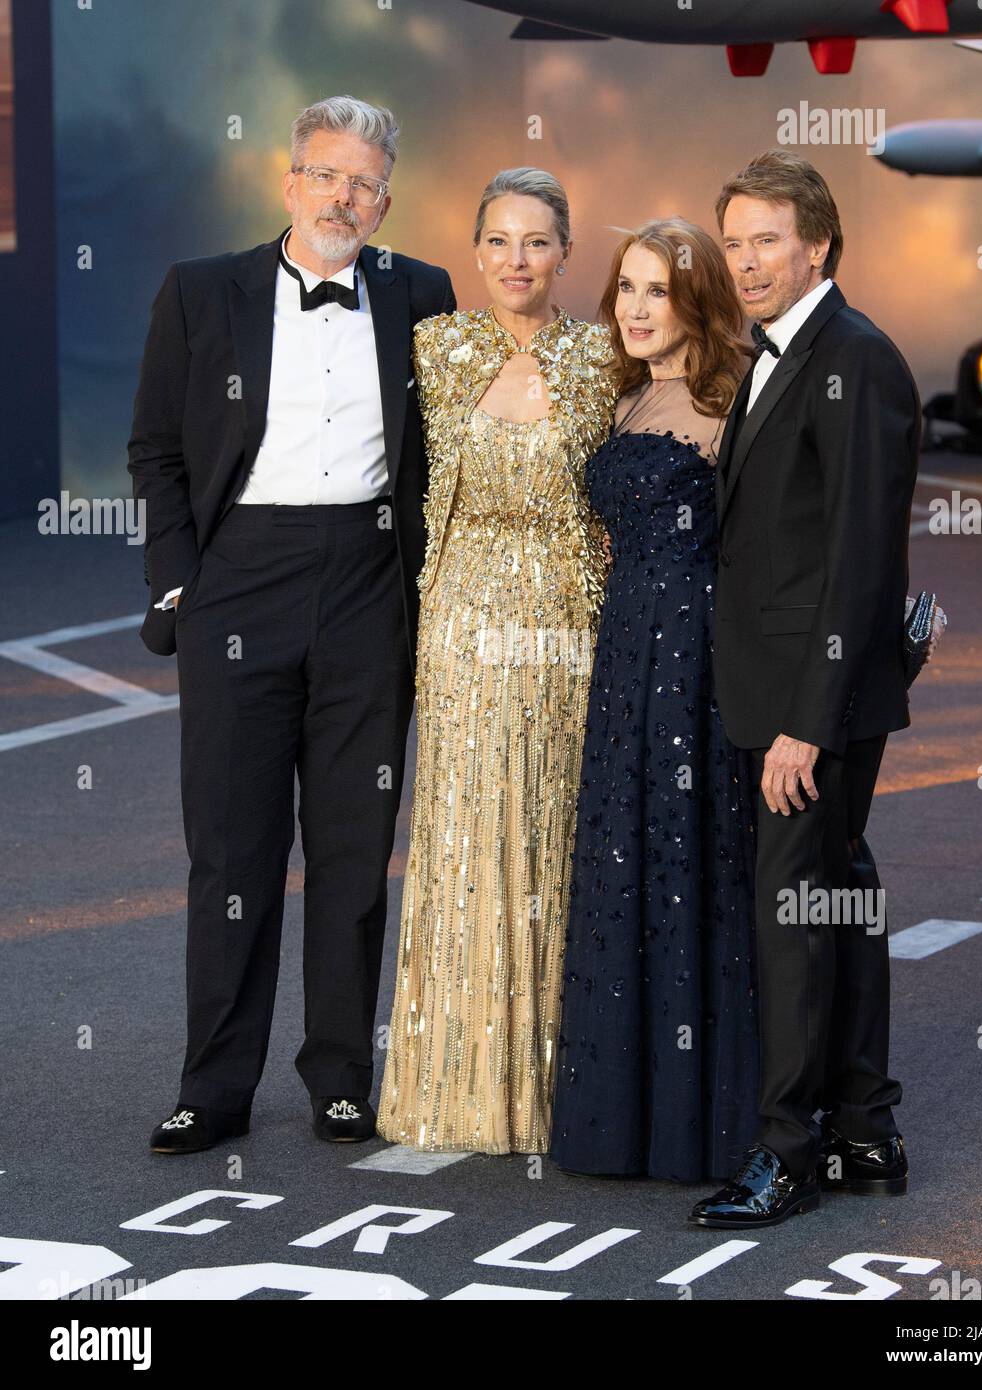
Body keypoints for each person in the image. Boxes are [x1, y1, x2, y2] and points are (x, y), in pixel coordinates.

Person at [129, 96, 455, 1155]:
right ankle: (212, 1087)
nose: (342, 197)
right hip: (238, 587)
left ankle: (341, 1080)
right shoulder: (201, 292)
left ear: (385, 200)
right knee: (231, 850)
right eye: (325, 175)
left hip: (368, 584)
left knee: (356, 849)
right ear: (288, 182)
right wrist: (182, 586)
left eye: (363, 183)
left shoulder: (424, 295)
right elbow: (157, 451)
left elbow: (446, 454)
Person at [690, 149, 922, 1228]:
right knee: (833, 892)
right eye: (733, 243)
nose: (745, 262)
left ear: (817, 243)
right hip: (787, 692)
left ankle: (786, 1153)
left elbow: (858, 560)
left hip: (808, 708)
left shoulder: (855, 357)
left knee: (792, 914)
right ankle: (863, 1127)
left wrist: (803, 728)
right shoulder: (783, 350)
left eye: (765, 241)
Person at [376, 168, 618, 1154]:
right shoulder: (435, 346)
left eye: (537, 241)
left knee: (557, 844)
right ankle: (458, 1087)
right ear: (475, 254)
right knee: (467, 849)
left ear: (566, 252)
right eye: (500, 242)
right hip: (463, 631)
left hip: (568, 629)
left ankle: (564, 1085)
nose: (517, 260)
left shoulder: (607, 358)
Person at [549, 219, 762, 1183]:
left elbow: (768, 547)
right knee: (626, 852)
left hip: (696, 659)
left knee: (690, 854)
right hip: (624, 648)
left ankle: (702, 1121)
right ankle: (620, 1119)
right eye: (624, 289)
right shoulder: (629, 401)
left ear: (697, 300)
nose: (634, 310)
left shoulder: (735, 399)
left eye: (656, 292)